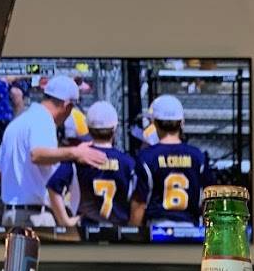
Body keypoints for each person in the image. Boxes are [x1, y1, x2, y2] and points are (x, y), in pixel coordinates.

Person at [0, 74, 107, 227]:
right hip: (35, 217)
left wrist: (22, 182)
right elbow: (37, 155)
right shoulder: (44, 120)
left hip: (10, 215)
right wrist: (75, 152)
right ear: (67, 106)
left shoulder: (17, 122)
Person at [47, 101, 136, 230]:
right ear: (115, 129)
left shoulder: (78, 159)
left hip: (85, 230)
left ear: (88, 128)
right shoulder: (128, 162)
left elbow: (53, 187)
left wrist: (64, 220)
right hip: (118, 231)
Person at [129, 95, 209, 229]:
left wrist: (133, 233)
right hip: (190, 228)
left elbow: (139, 204)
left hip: (158, 227)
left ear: (154, 123)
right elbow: (208, 200)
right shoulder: (198, 157)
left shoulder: (147, 157)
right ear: (182, 122)